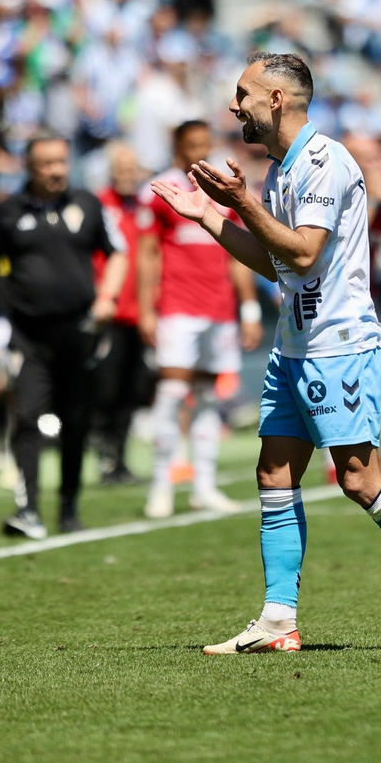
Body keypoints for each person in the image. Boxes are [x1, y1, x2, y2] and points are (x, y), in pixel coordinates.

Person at [152, 52, 381, 653]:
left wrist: (239, 204)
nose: (232, 105)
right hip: (293, 347)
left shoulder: (325, 162)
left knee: (359, 480)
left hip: (339, 347)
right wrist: (209, 218)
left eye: (242, 93)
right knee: (274, 471)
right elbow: (276, 262)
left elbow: (302, 254)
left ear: (276, 99)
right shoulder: (281, 171)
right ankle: (278, 620)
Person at [0, 132, 128, 539]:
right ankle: (27, 509)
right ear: (29, 167)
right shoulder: (8, 211)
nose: (56, 170)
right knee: (26, 418)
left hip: (79, 333)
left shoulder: (88, 204)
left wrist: (108, 297)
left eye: (61, 161)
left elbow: (117, 252)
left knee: (76, 422)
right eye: (46, 163)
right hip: (28, 336)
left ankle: (69, 507)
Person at [142, 121, 261, 518]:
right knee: (173, 392)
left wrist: (248, 308)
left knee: (210, 395)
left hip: (219, 309)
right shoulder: (162, 190)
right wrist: (146, 307)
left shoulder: (224, 190)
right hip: (177, 306)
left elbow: (238, 254)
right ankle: (162, 485)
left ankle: (204, 487)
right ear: (177, 148)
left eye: (204, 144)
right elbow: (148, 254)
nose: (198, 151)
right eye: (191, 145)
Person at [90, 142, 158, 487]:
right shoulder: (99, 205)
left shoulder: (142, 208)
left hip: (136, 314)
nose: (127, 176)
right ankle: (105, 455)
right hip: (109, 313)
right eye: (122, 170)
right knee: (106, 388)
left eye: (132, 170)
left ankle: (120, 457)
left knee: (133, 388)